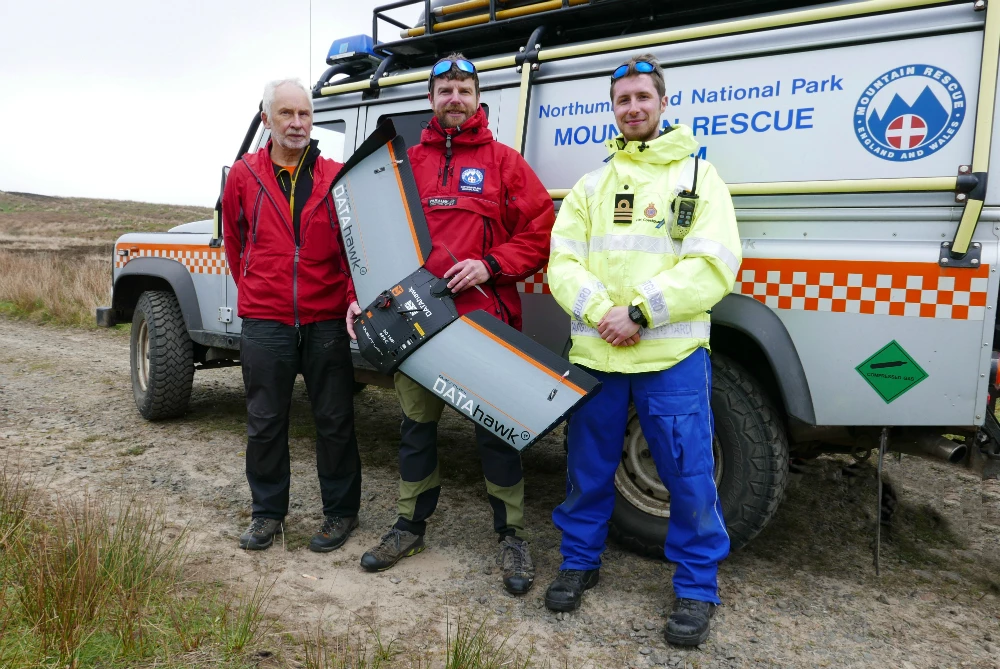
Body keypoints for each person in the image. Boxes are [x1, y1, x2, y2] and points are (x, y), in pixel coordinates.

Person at [544, 55, 740, 646]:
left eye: (642, 98)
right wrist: (602, 312)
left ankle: (696, 589)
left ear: (661, 102)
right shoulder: (590, 186)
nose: (633, 108)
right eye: (623, 99)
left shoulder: (701, 180)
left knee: (689, 476)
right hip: (598, 358)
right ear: (613, 108)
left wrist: (639, 312)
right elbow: (563, 261)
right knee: (587, 471)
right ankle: (580, 563)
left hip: (669, 362)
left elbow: (714, 265)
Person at [346, 54, 555, 595]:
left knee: (497, 434)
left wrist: (492, 263)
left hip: (484, 328)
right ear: (432, 99)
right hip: (416, 327)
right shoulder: (401, 164)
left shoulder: (505, 163)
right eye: (446, 89)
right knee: (416, 431)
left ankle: (511, 535)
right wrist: (357, 297)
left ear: (478, 97)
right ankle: (409, 525)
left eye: (465, 88)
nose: (455, 97)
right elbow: (367, 241)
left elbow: (542, 231)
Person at [222, 78, 362, 554]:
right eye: (286, 114)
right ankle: (267, 515)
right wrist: (263, 296)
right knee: (264, 421)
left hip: (325, 320)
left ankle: (340, 513)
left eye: (304, 114)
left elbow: (350, 251)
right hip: (267, 321)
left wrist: (344, 296)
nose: (297, 123)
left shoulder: (335, 175)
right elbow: (236, 245)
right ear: (267, 120)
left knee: (335, 419)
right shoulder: (243, 175)